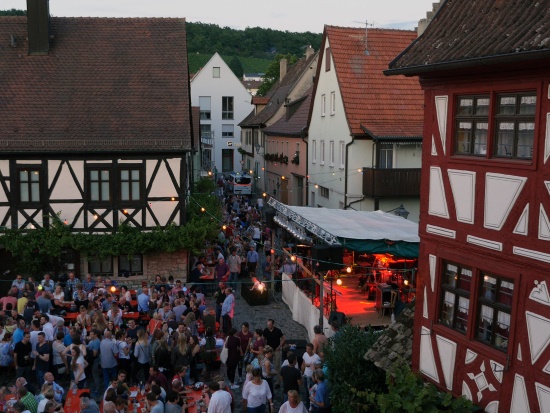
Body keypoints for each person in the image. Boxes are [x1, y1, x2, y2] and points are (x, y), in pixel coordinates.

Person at [263, 319, 285, 386]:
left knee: (277, 365)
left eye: (269, 325)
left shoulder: (278, 331)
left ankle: (278, 381)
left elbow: (283, 338)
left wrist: (279, 346)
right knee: (268, 364)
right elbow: (264, 338)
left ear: (273, 324)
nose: (268, 326)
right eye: (268, 325)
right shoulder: (266, 330)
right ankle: (270, 377)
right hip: (269, 350)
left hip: (276, 350)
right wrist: (265, 346)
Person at [301, 343, 320, 410]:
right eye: (306, 349)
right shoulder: (305, 354)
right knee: (306, 392)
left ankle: (312, 407)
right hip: (306, 376)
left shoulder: (316, 357)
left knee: (312, 393)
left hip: (312, 378)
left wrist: (313, 366)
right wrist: (302, 372)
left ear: (312, 349)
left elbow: (319, 366)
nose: (307, 350)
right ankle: (307, 406)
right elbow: (303, 363)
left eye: (309, 349)